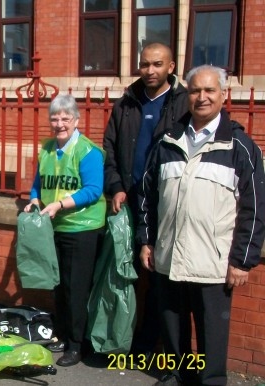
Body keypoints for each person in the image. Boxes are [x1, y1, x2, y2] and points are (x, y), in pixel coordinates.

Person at [137, 65, 265, 386]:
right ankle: (178, 377)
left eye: (210, 91)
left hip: (214, 265)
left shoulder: (240, 147)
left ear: (224, 96)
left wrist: (241, 260)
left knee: (211, 340)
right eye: (195, 91)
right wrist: (147, 241)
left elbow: (254, 208)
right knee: (173, 332)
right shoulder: (167, 142)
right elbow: (146, 198)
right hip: (168, 259)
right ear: (187, 95)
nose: (202, 97)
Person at [103, 42, 188, 359]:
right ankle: (118, 341)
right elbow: (109, 150)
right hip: (127, 204)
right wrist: (115, 186)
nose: (150, 70)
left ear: (171, 66)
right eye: (145, 64)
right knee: (123, 276)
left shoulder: (183, 104)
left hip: (165, 208)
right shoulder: (126, 103)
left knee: (160, 282)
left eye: (157, 64)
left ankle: (153, 347)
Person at [23, 94, 106, 367]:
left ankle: (77, 344)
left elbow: (93, 191)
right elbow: (38, 182)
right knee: (58, 285)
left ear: (76, 120)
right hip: (54, 226)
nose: (60, 123)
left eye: (65, 118)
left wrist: (60, 204)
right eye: (55, 118)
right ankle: (63, 334)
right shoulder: (46, 149)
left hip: (82, 228)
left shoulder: (88, 151)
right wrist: (35, 198)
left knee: (76, 288)